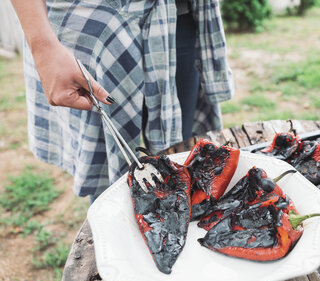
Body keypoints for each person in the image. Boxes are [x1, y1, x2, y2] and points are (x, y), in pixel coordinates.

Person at [10, 0, 234, 201]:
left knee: (180, 156)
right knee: (110, 183)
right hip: (92, 24)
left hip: (175, 17)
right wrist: (42, 46)